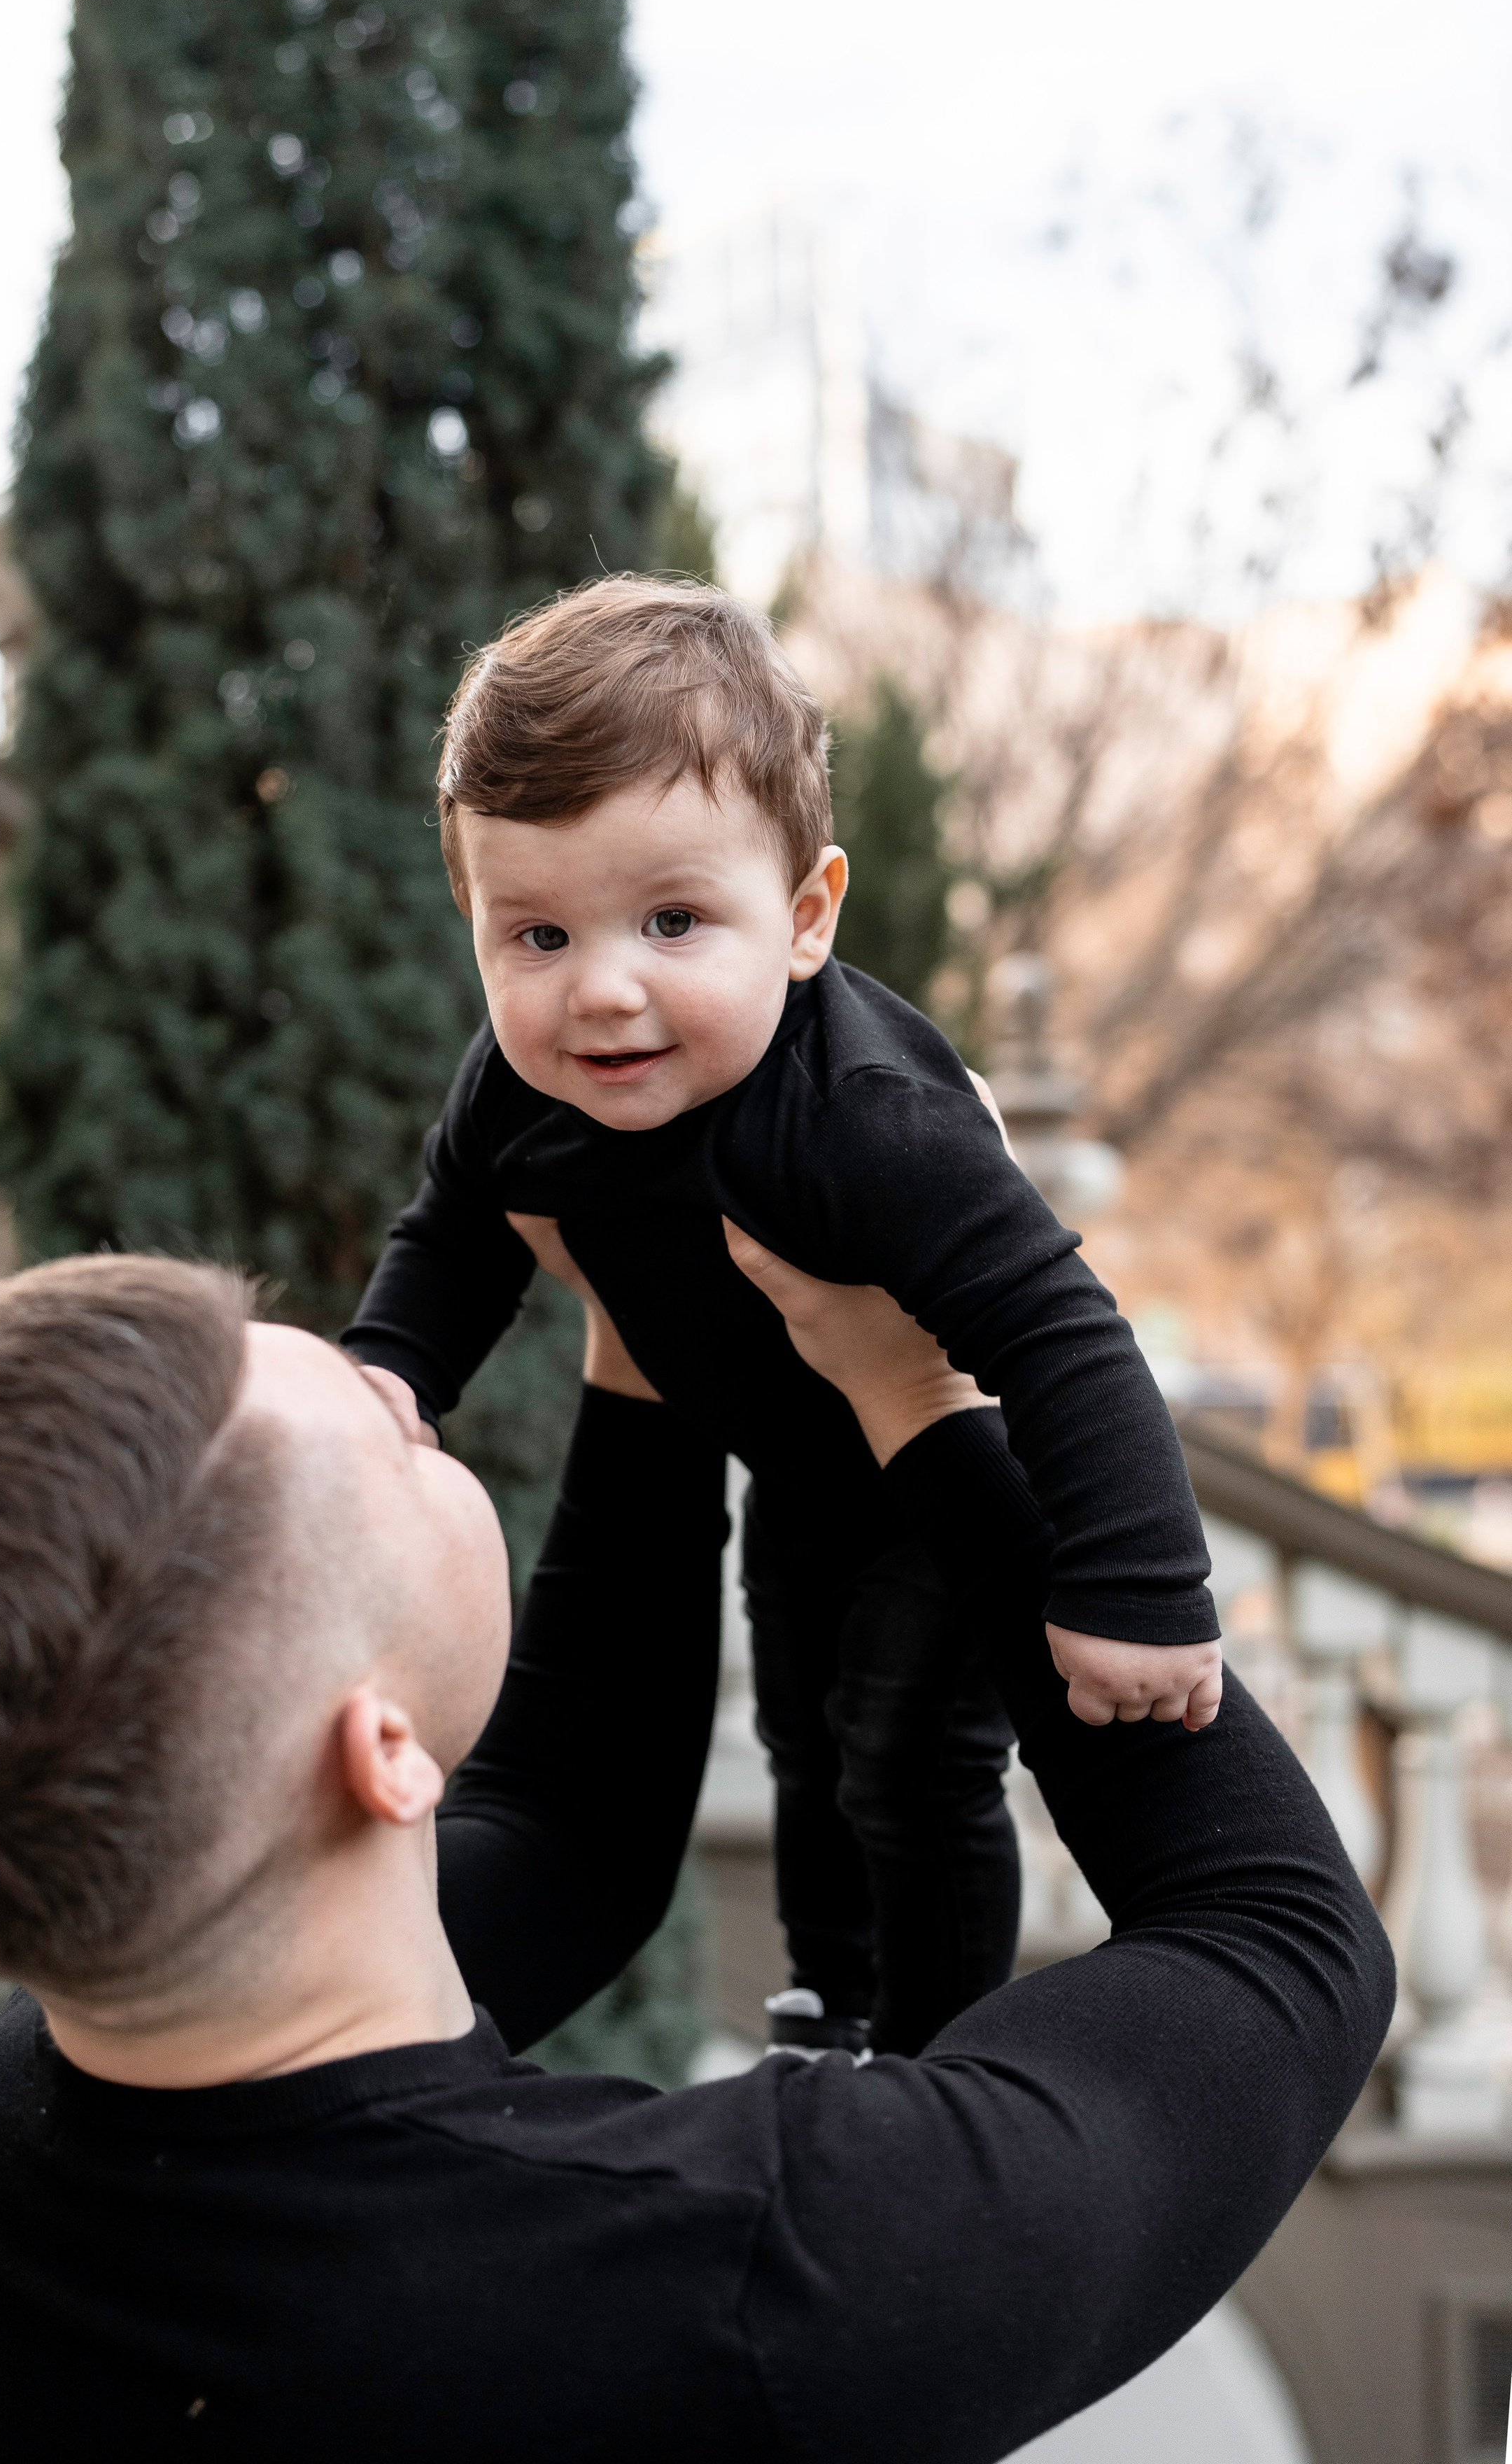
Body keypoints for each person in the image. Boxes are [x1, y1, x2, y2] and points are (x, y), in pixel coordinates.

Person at [0, 1244, 1391, 2462]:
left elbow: (565, 1838)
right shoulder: (752, 2275)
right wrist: (928, 1407)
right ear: (380, 1750)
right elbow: (1280, 1947)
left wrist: (644, 1328)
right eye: (392, 1438)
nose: (416, 1404)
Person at [343, 574, 1222, 2055]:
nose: (602, 992)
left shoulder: (863, 1121)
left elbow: (1057, 1326)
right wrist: (386, 1372)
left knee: (909, 1761)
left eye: (672, 921)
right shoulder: (517, 1092)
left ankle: (938, 2046)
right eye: (535, 938)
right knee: (805, 1741)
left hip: (937, 1478)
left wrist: (1137, 1588)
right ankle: (830, 2000)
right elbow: (455, 1231)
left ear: (804, 916)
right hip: (790, 1465)